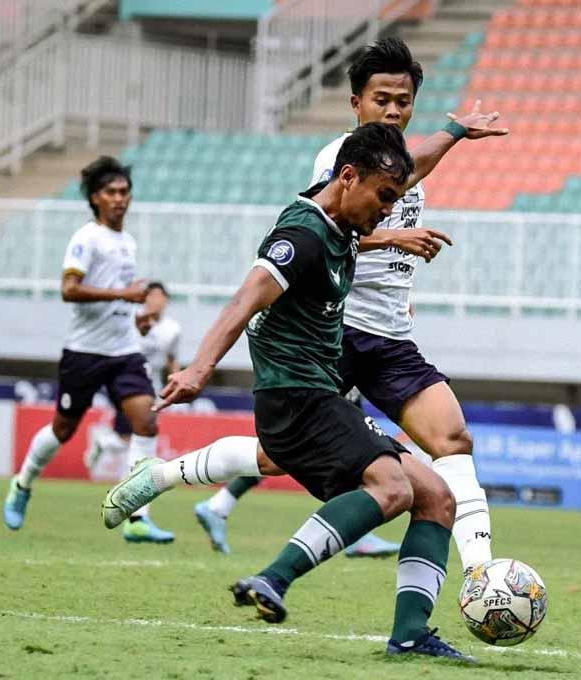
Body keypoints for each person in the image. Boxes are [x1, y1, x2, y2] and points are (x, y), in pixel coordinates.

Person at [101, 122, 474, 661]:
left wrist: (456, 132)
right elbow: (242, 301)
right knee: (391, 486)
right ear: (348, 177)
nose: (389, 212)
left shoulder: (345, 217)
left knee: (437, 497)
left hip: (317, 393)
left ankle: (411, 634)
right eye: (385, 199)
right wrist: (198, 370)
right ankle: (273, 578)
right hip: (296, 396)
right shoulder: (301, 236)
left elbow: (413, 167)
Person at [195, 37, 508, 569]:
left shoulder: (397, 161)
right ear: (356, 103)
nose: (393, 109)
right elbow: (325, 231)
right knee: (282, 452)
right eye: (381, 98)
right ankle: (182, 484)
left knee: (452, 438)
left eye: (403, 101)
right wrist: (396, 240)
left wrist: (454, 132)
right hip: (336, 334)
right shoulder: (339, 160)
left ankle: (481, 572)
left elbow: (419, 164)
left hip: (386, 335)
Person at [2, 156, 161, 531]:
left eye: (124, 191)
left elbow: (119, 298)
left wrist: (135, 315)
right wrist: (122, 293)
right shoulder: (86, 238)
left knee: (147, 422)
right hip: (85, 352)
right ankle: (22, 483)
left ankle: (137, 517)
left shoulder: (128, 242)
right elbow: (69, 290)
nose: (119, 198)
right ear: (94, 198)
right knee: (63, 429)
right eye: (111, 192)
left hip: (123, 351)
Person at [83, 281, 180, 542]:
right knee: (138, 439)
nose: (156, 301)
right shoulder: (131, 322)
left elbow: (172, 358)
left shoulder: (172, 330)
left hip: (154, 389)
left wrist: (176, 377)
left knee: (136, 441)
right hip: (130, 387)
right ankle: (135, 512)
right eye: (152, 296)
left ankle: (133, 510)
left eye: (161, 296)